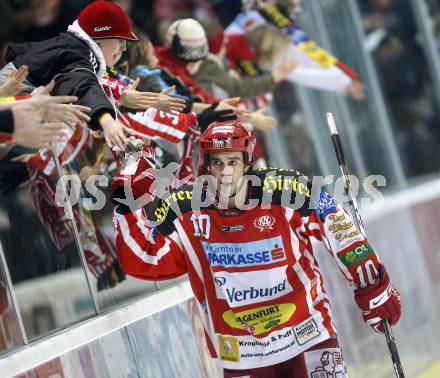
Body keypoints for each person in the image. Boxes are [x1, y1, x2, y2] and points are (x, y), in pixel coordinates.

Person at [112, 119, 401, 377]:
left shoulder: (286, 189)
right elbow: (145, 259)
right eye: (217, 162)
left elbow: (337, 225)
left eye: (233, 162)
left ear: (247, 162)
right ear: (206, 165)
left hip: (310, 336)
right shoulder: (186, 207)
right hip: (243, 357)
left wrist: (371, 284)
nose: (225, 172)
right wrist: (129, 201)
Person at [1, 0, 185, 150]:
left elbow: (85, 83)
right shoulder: (75, 55)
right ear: (99, 38)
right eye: (120, 40)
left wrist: (121, 99)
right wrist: (108, 122)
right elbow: (82, 85)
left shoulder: (71, 47)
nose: (124, 48)